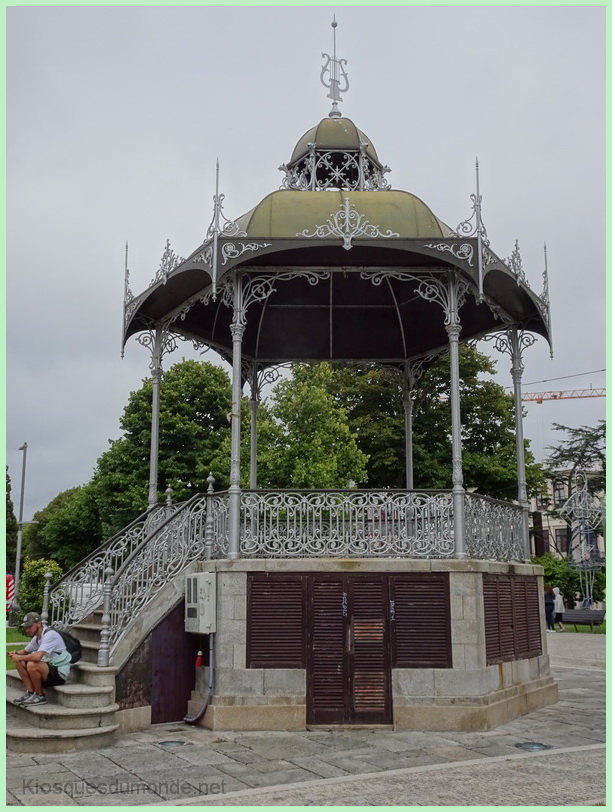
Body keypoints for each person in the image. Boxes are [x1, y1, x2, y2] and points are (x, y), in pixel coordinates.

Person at [8, 611, 71, 706]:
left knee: (32, 664)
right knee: (19, 662)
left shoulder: (50, 635)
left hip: (59, 674)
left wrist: (19, 657)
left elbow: (38, 657)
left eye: (29, 626)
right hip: (49, 669)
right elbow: (25, 651)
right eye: (26, 627)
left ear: (38, 623)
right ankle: (30, 692)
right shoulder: (37, 637)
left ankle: (40, 695)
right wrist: (15, 653)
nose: (27, 629)